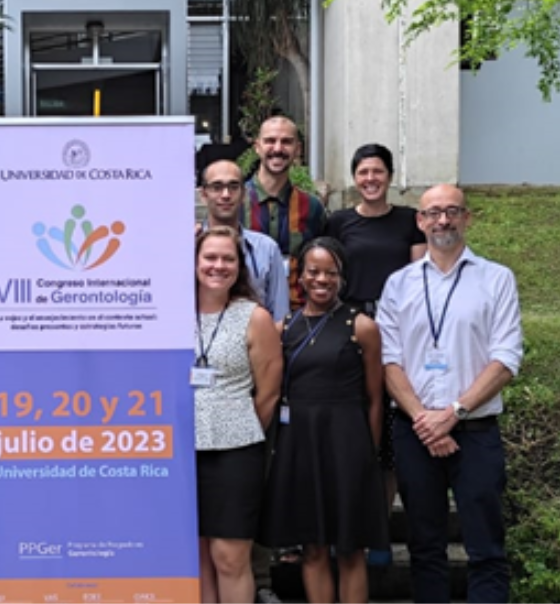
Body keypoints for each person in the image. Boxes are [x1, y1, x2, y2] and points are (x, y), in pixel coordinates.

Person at [376, 184, 523, 603]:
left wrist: (453, 412)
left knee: (486, 549)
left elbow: (506, 358)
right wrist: (426, 419)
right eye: (434, 213)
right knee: (425, 548)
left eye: (452, 211)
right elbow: (388, 360)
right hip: (414, 432)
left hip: (475, 431)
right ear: (420, 221)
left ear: (467, 218)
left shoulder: (496, 279)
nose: (443, 220)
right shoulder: (398, 284)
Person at [259, 237, 389, 603]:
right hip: (300, 445)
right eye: (314, 271)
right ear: (300, 276)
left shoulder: (361, 326)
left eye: (331, 273)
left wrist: (369, 454)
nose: (322, 280)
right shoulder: (283, 328)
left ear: (342, 276)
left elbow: (375, 397)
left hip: (347, 444)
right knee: (312, 547)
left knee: (350, 549)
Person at [324, 143, 427, 565]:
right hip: (349, 328)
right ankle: (345, 527)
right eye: (363, 172)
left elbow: (420, 280)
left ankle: (380, 530)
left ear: (390, 175)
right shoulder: (338, 221)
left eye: (378, 171)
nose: (370, 179)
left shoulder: (409, 221)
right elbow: (328, 276)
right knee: (350, 430)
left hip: (396, 329)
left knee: (388, 439)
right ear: (354, 177)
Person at [193, 226, 282, 603]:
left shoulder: (254, 317)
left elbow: (269, 392)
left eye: (228, 258)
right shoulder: (169, 313)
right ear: (194, 262)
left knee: (229, 557)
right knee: (197, 557)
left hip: (236, 452)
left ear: (239, 266)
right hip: (180, 452)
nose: (218, 266)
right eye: (209, 257)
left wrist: (237, 426)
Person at [242, 115, 328, 313]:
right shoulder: (235, 203)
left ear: (298, 149)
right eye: (270, 141)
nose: (278, 148)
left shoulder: (312, 207)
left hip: (297, 316)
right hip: (246, 317)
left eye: (286, 142)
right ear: (257, 147)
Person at [198, 159, 290, 323]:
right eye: (217, 187)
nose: (226, 195)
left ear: (244, 194)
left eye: (233, 187)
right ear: (204, 195)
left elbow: (279, 318)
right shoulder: (188, 247)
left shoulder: (267, 249)